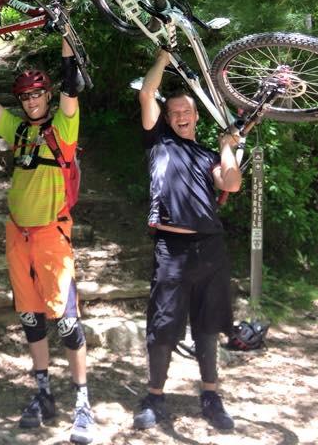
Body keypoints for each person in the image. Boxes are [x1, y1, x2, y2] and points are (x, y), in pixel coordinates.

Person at [0, 38, 94, 444]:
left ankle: (82, 404)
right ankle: (44, 394)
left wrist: (65, 35)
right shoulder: (17, 128)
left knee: (68, 323)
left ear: (47, 95)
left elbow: (73, 85)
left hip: (52, 236)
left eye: (38, 93)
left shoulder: (63, 126)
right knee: (30, 318)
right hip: (17, 234)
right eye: (25, 95)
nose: (32, 100)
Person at [133, 49, 242, 431]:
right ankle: (154, 396)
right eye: (174, 112)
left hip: (210, 248)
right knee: (163, 325)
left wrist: (228, 145)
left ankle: (211, 396)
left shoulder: (210, 154)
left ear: (197, 117)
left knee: (208, 324)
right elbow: (148, 94)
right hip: (171, 249)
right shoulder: (158, 142)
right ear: (168, 118)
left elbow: (231, 183)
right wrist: (162, 58)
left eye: (187, 112)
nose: (180, 116)